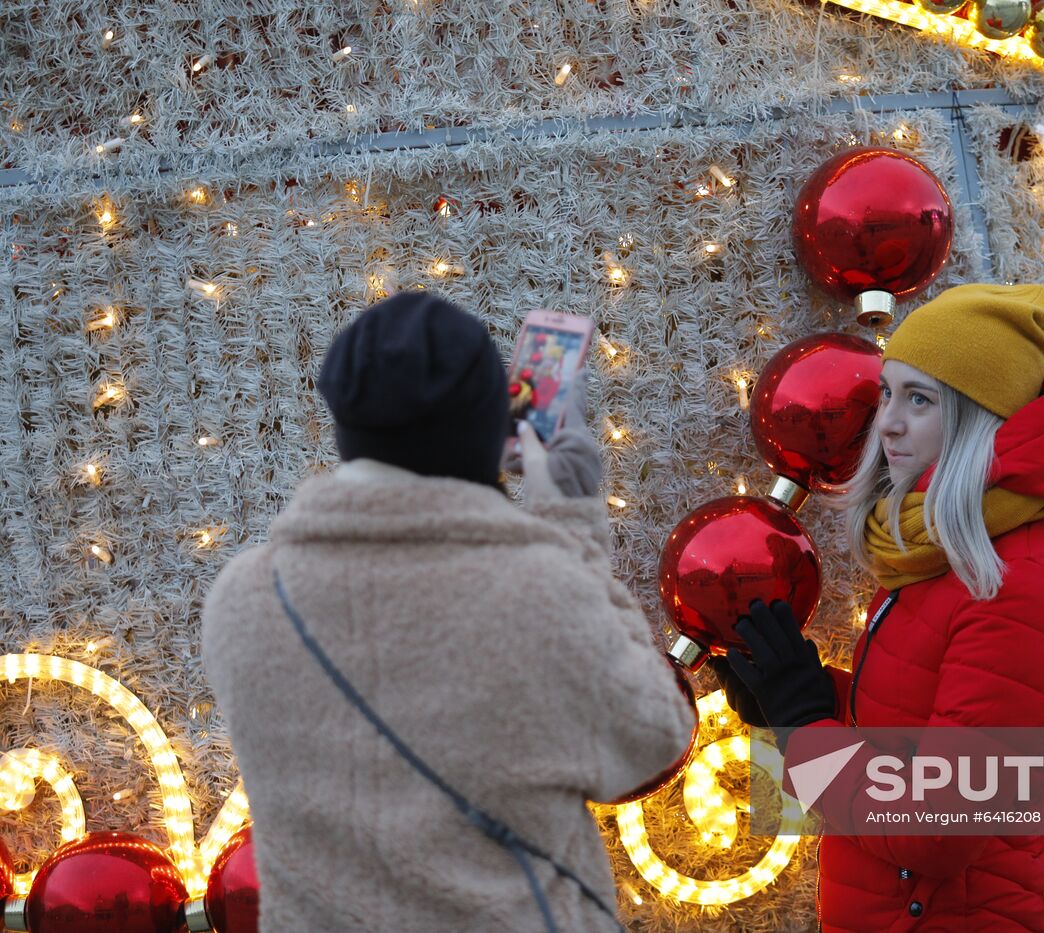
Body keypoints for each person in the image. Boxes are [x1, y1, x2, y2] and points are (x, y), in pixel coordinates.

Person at [200, 292, 696, 931]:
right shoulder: (538, 590)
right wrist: (571, 528)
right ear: (492, 425)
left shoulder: (241, 596)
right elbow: (653, 739)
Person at [711, 283, 1044, 931]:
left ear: (982, 418)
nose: (887, 420)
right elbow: (917, 730)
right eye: (888, 391)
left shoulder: (1016, 583)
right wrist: (798, 698)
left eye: (920, 399)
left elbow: (935, 828)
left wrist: (805, 723)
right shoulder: (938, 544)